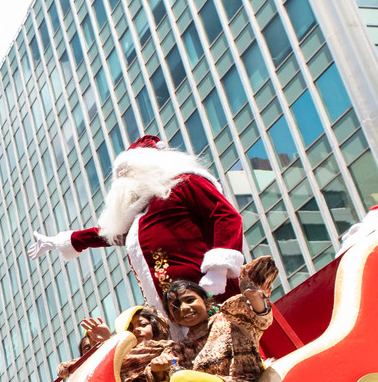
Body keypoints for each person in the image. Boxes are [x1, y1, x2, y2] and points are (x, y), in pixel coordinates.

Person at [26, 134, 246, 315]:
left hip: (208, 292)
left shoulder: (185, 183)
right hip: (173, 309)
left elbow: (226, 216)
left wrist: (217, 269)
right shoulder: (139, 214)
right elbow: (106, 234)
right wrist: (60, 241)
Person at [149, 255, 280, 382]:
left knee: (183, 380)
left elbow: (261, 318)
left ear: (206, 302)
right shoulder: (178, 349)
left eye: (189, 300)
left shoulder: (230, 318)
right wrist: (158, 370)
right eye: (175, 307)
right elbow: (166, 380)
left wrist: (253, 295)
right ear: (173, 318)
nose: (184, 308)